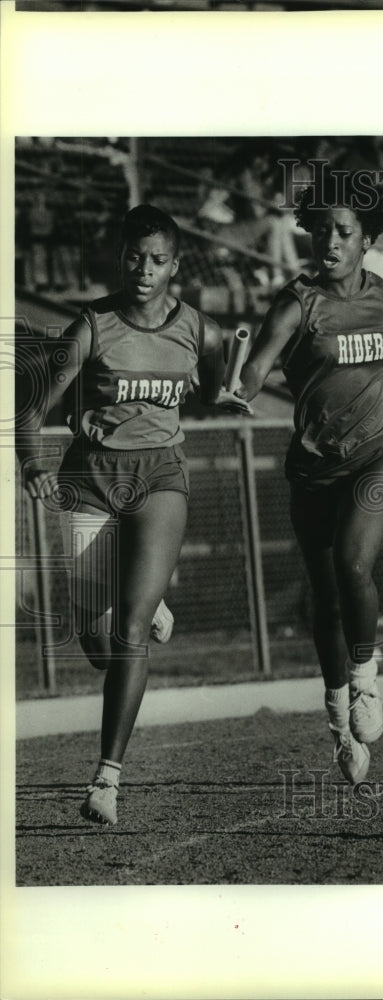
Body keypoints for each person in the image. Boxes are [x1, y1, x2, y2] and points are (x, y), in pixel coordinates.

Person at [16, 204, 250, 826]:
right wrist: (35, 465)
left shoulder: (196, 327)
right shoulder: (92, 325)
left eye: (156, 260)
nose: (143, 270)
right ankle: (138, 598)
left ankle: (106, 778)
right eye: (133, 258)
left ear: (175, 265)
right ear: (120, 258)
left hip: (160, 479)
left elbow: (222, 380)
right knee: (97, 644)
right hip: (92, 481)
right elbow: (33, 406)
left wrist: (229, 390)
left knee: (129, 635)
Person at [237, 170, 383, 785]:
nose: (330, 241)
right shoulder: (298, 301)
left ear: (369, 237)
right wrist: (238, 389)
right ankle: (339, 718)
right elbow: (256, 367)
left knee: (353, 565)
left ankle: (366, 684)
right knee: (326, 601)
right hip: (315, 467)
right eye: (321, 231)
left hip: (380, 455)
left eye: (343, 231)